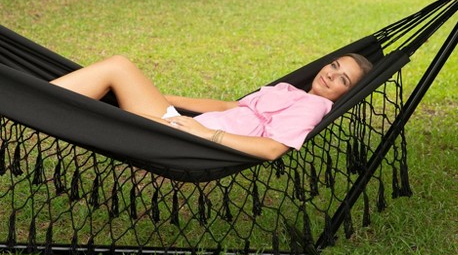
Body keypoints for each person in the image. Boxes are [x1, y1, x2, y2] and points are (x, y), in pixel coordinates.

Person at [51, 53, 372, 160]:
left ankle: (40, 99)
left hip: (189, 140)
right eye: (334, 65)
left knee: (118, 70)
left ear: (345, 93)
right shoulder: (289, 90)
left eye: (342, 79)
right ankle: (40, 97)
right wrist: (165, 99)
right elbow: (227, 105)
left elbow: (273, 148)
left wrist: (207, 135)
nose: (331, 75)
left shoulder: (313, 107)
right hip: (180, 125)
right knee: (119, 69)